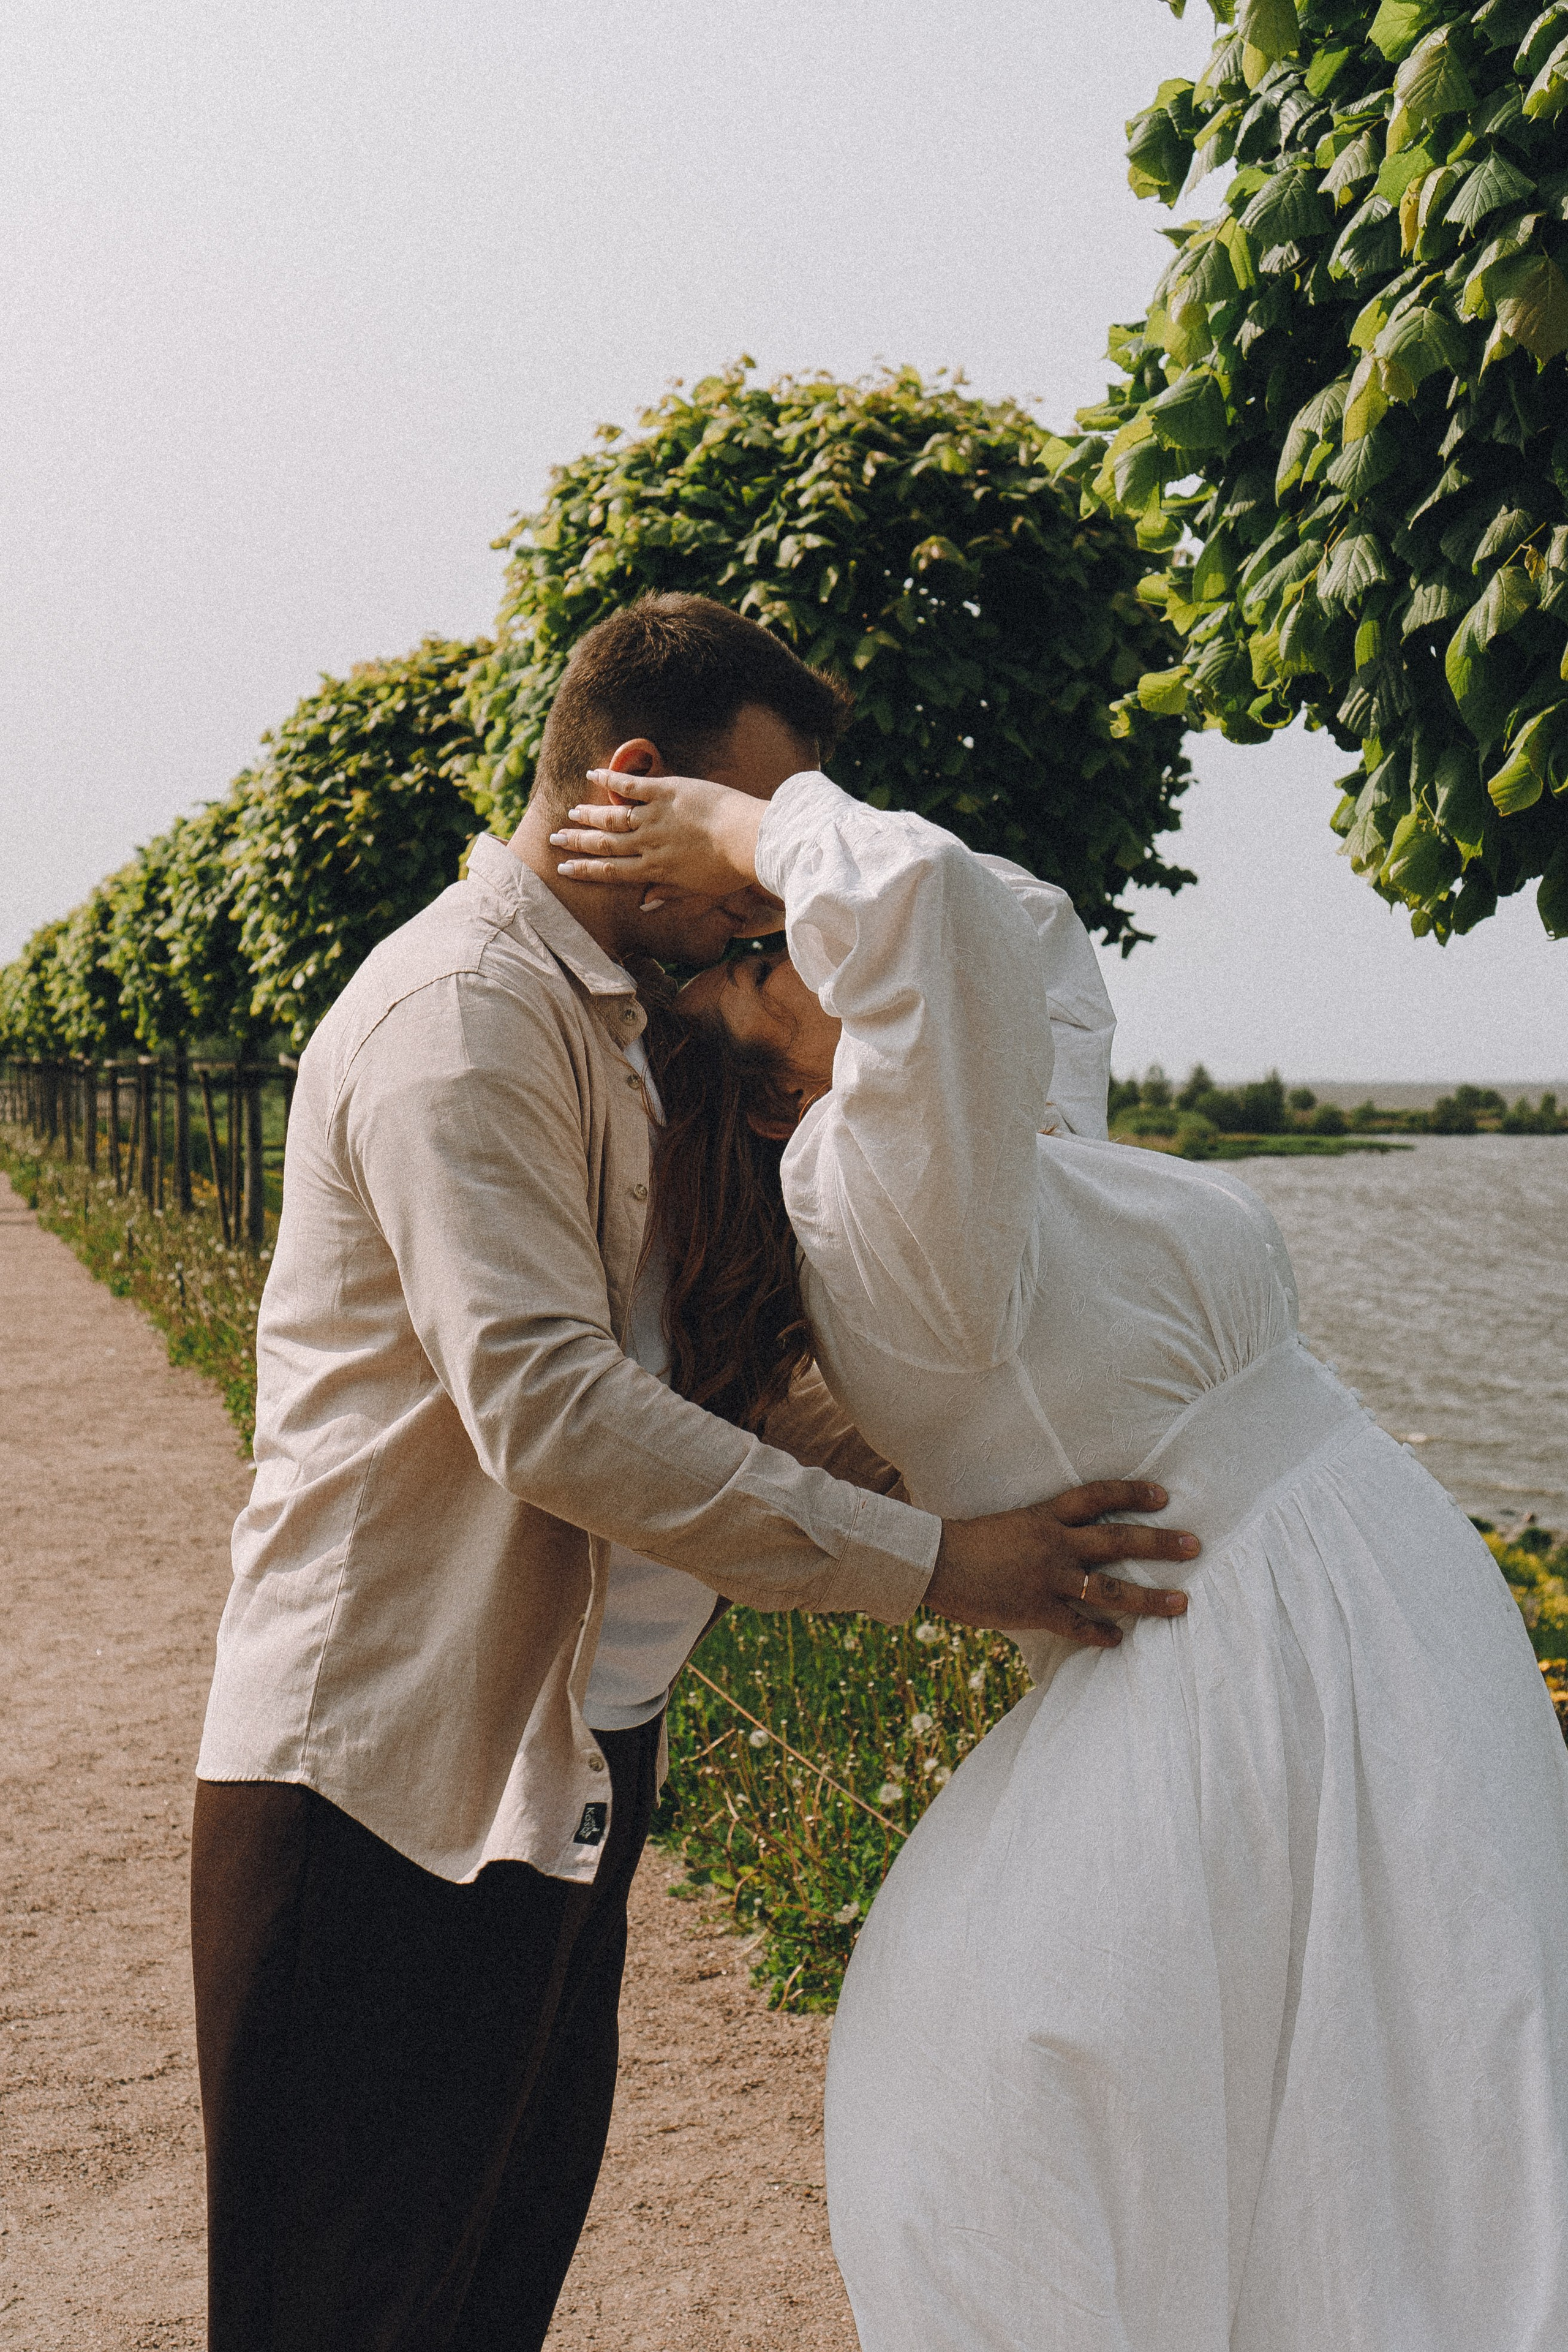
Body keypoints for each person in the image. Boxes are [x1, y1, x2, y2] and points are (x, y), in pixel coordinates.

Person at [189, 594, 1199, 2352]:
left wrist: (990, 1446)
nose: (769, 896)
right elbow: (554, 1412)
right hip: (387, 1783)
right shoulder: (462, 1013)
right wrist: (940, 1563)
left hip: (568, 1760)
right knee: (343, 2314)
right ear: (632, 784)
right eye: (740, 835)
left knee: (486, 2295)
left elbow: (704, 1391)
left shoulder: (632, 1025)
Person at [549, 756, 1568, 2351]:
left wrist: (755, 871)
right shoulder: (877, 1197)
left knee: (1387, 2082)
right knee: (1337, 2076)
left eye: (775, 933)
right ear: (769, 1094)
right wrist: (749, 829)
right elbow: (936, 909)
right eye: (756, 967)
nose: (782, 940)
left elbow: (1018, 926)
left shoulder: (972, 1163)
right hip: (1268, 1653)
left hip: (1350, 1637)